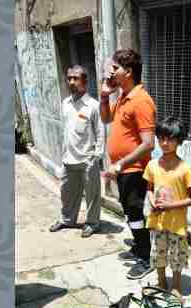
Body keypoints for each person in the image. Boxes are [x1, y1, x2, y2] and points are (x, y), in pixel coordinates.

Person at [99, 49, 156, 280]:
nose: (110, 72)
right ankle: (138, 247)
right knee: (129, 211)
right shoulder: (123, 96)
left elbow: (148, 144)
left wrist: (120, 164)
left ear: (128, 72)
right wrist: (104, 96)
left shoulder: (141, 100)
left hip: (134, 170)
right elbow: (105, 119)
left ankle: (145, 258)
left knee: (135, 212)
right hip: (124, 170)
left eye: (115, 68)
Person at [143, 117, 191, 296]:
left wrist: (170, 205)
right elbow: (150, 189)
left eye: (170, 139)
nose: (165, 143)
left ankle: (176, 285)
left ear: (179, 140)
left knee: (176, 255)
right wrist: (152, 201)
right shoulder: (152, 165)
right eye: (161, 138)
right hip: (158, 220)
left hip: (176, 223)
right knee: (158, 253)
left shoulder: (184, 169)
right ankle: (160, 281)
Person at [50, 65, 103, 238]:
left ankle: (92, 223)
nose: (71, 82)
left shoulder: (93, 105)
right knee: (67, 192)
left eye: (76, 78)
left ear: (85, 82)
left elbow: (100, 133)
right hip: (68, 159)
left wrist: (96, 156)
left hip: (87, 159)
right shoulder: (65, 103)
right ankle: (67, 220)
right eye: (69, 78)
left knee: (92, 195)